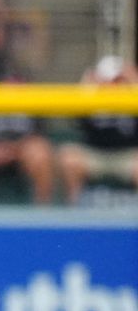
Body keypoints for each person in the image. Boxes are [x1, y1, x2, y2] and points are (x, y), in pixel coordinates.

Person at [58, 56, 138, 204]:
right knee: (69, 157)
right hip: (95, 154)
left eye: (117, 80)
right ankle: (73, 212)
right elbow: (74, 119)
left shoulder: (133, 96)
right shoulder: (91, 97)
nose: (112, 85)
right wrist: (86, 88)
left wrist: (134, 83)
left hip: (127, 155)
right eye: (108, 80)